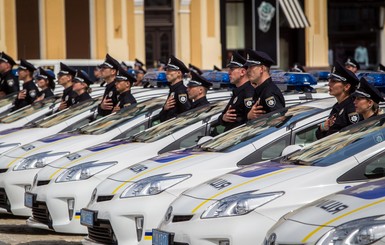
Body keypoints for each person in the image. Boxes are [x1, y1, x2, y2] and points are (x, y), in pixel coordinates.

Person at [315, 61, 360, 139]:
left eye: (334, 81)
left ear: (346, 87)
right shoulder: (337, 107)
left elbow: (353, 139)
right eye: (329, 80)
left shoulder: (352, 108)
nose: (329, 84)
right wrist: (323, 127)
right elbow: (321, 136)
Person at [218, 51, 255, 131]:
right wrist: (224, 118)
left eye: (232, 69)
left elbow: (250, 122)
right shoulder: (237, 92)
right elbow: (223, 116)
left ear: (242, 72)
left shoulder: (248, 93)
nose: (229, 73)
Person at [246, 49, 285, 120]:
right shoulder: (261, 89)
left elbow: (280, 120)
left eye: (251, 67)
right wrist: (249, 116)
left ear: (261, 69)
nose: (248, 70)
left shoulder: (269, 92)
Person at [159, 55, 192, 122]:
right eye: (166, 70)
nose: (166, 73)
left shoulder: (181, 91)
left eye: (170, 70)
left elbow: (186, 115)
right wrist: (165, 108)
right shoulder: (173, 89)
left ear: (179, 73)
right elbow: (162, 117)